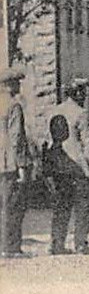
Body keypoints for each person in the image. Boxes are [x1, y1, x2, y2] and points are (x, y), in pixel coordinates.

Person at [43, 78, 89, 255]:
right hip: (78, 167)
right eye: (85, 93)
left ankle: (56, 243)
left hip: (58, 166)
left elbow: (47, 141)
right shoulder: (82, 113)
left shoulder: (54, 111)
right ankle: (80, 243)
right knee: (83, 205)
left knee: (61, 206)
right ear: (80, 93)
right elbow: (87, 144)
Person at [0, 66, 30, 259]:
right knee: (12, 206)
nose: (19, 86)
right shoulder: (13, 106)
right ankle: (11, 247)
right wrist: (21, 165)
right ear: (8, 85)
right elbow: (16, 138)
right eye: (16, 82)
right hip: (8, 163)